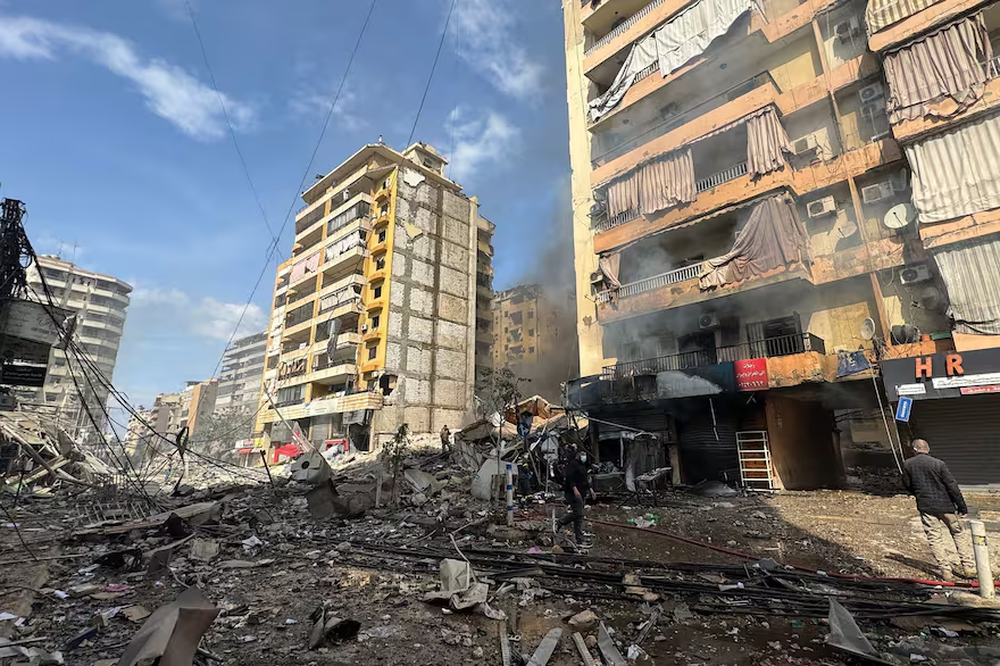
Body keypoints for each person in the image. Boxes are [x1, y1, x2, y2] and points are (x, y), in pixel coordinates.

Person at [902, 438, 976, 582]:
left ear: (914, 449)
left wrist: (917, 494)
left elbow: (907, 485)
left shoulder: (908, 464)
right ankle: (969, 567)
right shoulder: (939, 464)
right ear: (927, 449)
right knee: (958, 533)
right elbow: (952, 485)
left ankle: (945, 571)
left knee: (934, 538)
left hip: (926, 506)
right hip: (946, 506)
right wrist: (962, 506)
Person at [558, 445, 591, 545]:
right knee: (578, 513)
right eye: (582, 454)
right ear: (577, 454)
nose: (583, 457)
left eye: (585, 455)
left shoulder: (582, 465)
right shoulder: (572, 465)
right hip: (573, 493)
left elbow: (585, 479)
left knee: (579, 518)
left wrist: (591, 489)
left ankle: (579, 539)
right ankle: (561, 522)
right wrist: (575, 490)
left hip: (582, 492)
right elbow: (569, 479)